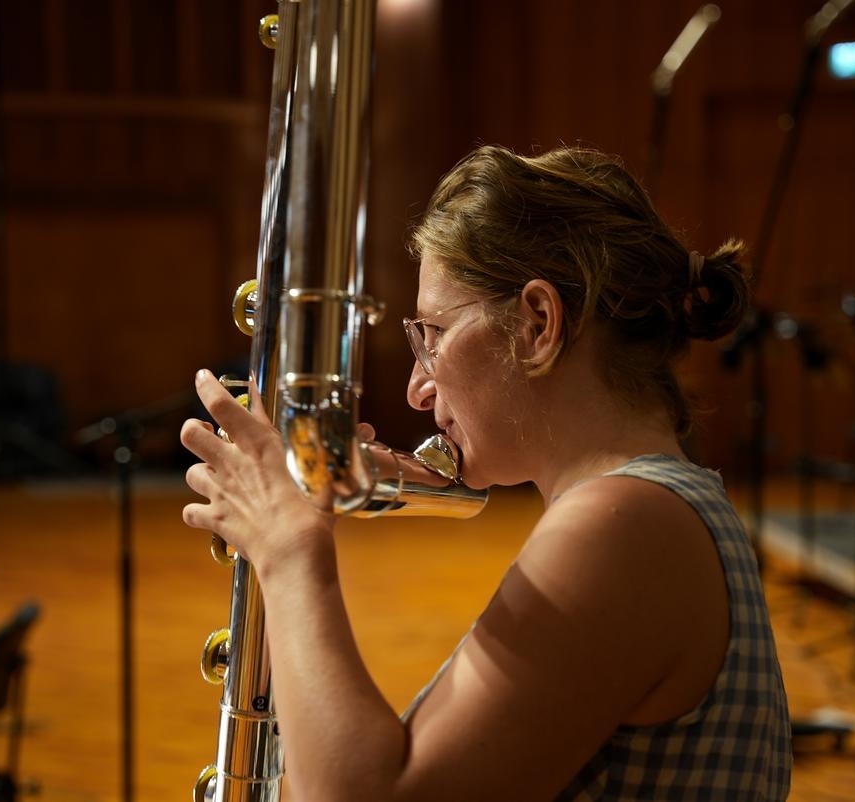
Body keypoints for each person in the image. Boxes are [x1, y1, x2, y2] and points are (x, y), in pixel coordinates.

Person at [180, 144, 792, 801]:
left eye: (433, 335)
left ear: (538, 324)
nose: (418, 388)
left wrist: (288, 549)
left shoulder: (624, 526)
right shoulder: (658, 510)